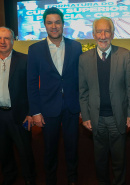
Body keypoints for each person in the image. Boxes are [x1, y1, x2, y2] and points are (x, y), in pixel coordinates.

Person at [27, 7, 82, 185]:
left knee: (72, 148)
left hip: (72, 108)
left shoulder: (76, 46)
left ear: (63, 24)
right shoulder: (35, 50)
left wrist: (82, 107)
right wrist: (35, 111)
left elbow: (80, 79)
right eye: (49, 22)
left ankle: (72, 179)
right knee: (50, 149)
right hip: (48, 108)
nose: (54, 26)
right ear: (44, 25)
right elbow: (32, 82)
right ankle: (51, 180)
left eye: (57, 22)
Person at [79, 17, 130, 185]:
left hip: (117, 117)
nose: (103, 35)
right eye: (99, 31)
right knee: (100, 160)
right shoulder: (84, 58)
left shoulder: (124, 55)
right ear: (93, 34)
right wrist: (86, 116)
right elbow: (82, 91)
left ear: (112, 34)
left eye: (107, 31)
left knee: (119, 160)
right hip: (96, 119)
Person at [0, 27, 35, 185]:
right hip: (0, 115)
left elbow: (32, 88)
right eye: (0, 38)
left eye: (7, 38)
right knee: (3, 150)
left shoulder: (25, 60)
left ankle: (29, 178)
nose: (2, 42)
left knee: (25, 150)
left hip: (20, 114)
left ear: (13, 41)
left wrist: (30, 112)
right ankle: (9, 177)